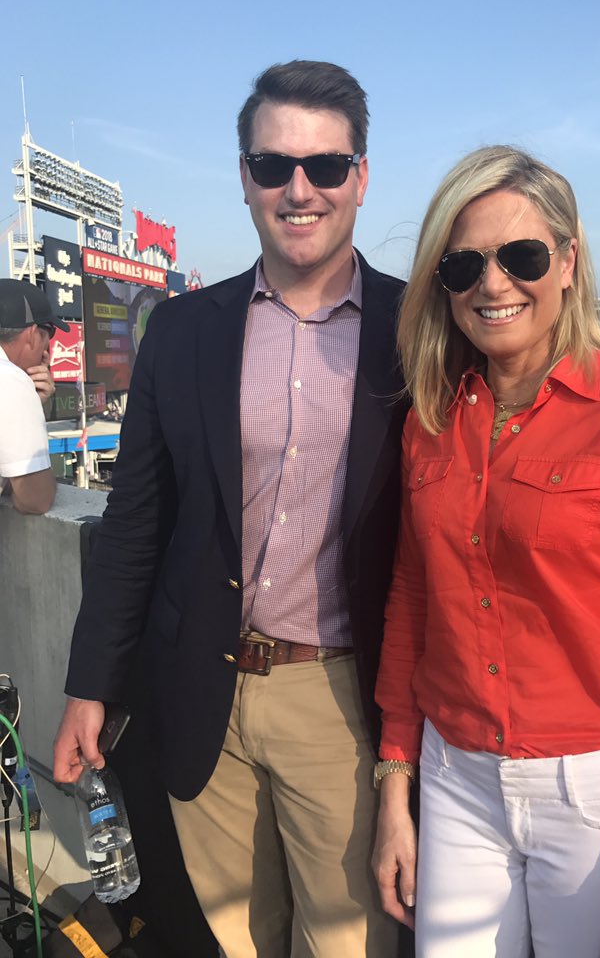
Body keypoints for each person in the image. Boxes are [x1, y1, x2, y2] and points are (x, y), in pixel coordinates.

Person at [53, 61, 408, 958]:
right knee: (225, 942)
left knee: (348, 945)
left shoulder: (416, 332)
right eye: (273, 164)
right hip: (199, 687)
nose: (300, 189)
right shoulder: (182, 328)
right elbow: (136, 520)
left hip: (341, 701)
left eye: (326, 167)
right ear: (244, 177)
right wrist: (89, 685)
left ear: (360, 177)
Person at [371, 145, 600, 958]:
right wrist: (395, 786)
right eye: (464, 265)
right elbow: (412, 603)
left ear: (568, 263)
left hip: (599, 794)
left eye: (523, 256)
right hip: (452, 775)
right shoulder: (431, 420)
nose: (493, 284)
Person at [0, 279, 62, 514]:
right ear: (33, 333)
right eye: (51, 333)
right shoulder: (10, 379)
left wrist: (34, 403)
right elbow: (36, 499)